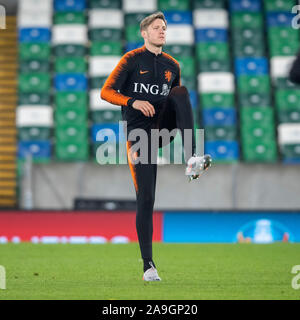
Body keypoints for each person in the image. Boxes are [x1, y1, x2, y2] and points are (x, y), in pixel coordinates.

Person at [101, 12, 211, 281]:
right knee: (146, 198)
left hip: (163, 128)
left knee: (181, 93)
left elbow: (178, 103)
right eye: (156, 28)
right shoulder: (131, 59)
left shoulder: (172, 65)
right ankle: (148, 266)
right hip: (139, 136)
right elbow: (105, 91)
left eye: (164, 28)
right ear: (144, 33)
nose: (162, 31)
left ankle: (192, 158)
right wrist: (132, 102)